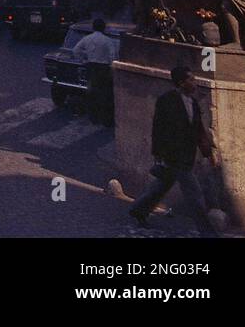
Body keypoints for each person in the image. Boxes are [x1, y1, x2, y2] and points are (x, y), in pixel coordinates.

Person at [129, 66, 218, 236]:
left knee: (161, 186)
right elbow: (158, 127)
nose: (194, 83)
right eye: (191, 79)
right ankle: (208, 233)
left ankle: (138, 209)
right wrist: (158, 154)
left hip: (186, 154)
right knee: (195, 195)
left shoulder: (193, 103)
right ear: (181, 82)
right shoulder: (166, 100)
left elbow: (198, 129)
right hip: (174, 156)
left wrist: (207, 152)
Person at [73, 17, 119, 126]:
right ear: (103, 28)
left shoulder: (87, 39)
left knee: (91, 92)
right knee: (105, 93)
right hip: (103, 68)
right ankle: (105, 118)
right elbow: (113, 56)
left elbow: (76, 50)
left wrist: (83, 60)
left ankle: (93, 117)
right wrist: (112, 69)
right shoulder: (108, 41)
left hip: (91, 66)